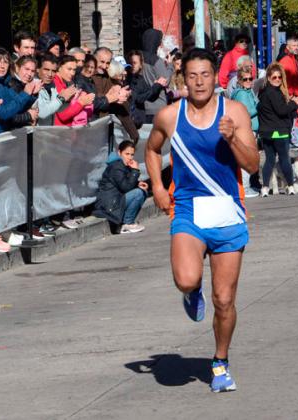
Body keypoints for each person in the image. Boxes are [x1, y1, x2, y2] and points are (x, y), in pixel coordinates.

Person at [145, 47, 258, 394]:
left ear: (215, 77)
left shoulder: (234, 112)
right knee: (185, 279)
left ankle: (220, 363)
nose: (199, 82)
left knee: (224, 300)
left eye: (205, 74)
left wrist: (232, 137)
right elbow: (151, 150)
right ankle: (191, 293)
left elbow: (253, 165)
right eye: (192, 75)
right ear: (184, 79)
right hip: (189, 210)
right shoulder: (170, 116)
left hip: (227, 211)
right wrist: (159, 188)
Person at [257, 63, 298, 196]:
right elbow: (281, 111)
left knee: (269, 160)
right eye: (274, 77)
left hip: (266, 132)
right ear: (268, 78)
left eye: (279, 77)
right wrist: (294, 103)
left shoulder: (263, 92)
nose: (277, 79)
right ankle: (291, 185)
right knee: (284, 159)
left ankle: (265, 187)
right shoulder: (274, 92)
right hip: (278, 131)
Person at [93, 140, 148, 234]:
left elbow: (123, 182)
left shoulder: (123, 165)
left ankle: (125, 223)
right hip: (109, 205)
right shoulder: (116, 167)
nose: (130, 157)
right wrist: (135, 171)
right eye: (127, 154)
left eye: (132, 155)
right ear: (119, 153)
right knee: (138, 193)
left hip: (116, 201)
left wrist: (137, 183)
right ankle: (127, 223)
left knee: (142, 191)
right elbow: (125, 188)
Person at [230, 62, 261, 198]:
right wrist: (260, 106)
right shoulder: (241, 94)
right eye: (245, 79)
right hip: (245, 131)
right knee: (245, 158)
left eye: (250, 78)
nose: (248, 82)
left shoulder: (248, 92)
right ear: (239, 80)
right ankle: (245, 188)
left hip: (251, 130)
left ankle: (246, 185)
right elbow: (245, 112)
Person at [126, 49, 167, 128]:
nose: (132, 66)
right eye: (130, 63)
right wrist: (157, 85)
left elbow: (149, 96)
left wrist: (157, 85)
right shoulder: (130, 79)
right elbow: (139, 98)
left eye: (134, 63)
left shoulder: (141, 78)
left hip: (145, 116)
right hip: (137, 118)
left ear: (141, 64)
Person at [141, 28, 174, 123]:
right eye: (160, 41)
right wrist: (170, 65)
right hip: (157, 106)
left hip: (142, 105)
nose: (161, 44)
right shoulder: (156, 60)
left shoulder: (138, 58)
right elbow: (165, 81)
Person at [52, 55, 95, 127]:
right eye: (69, 69)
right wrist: (81, 103)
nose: (72, 73)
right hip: (58, 132)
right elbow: (63, 115)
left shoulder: (67, 82)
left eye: (74, 70)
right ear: (59, 68)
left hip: (65, 131)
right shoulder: (55, 85)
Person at [5, 55, 43, 128]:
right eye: (26, 69)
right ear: (17, 68)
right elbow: (8, 117)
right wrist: (28, 116)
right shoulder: (10, 85)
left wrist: (33, 94)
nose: (29, 74)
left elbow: (23, 108)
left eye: (32, 71)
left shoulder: (23, 84)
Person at [33, 53, 69, 126]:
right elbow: (42, 113)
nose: (50, 74)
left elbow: (58, 110)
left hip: (48, 132)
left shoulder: (52, 85)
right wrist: (61, 99)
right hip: (35, 134)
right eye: (46, 69)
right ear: (37, 69)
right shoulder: (32, 86)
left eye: (53, 71)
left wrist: (72, 100)